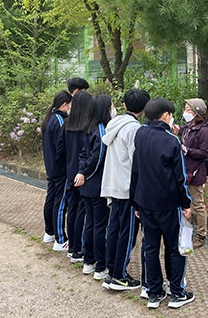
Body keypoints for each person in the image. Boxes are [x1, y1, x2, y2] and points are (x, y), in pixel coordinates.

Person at [130, 98, 195, 310]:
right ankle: (177, 291)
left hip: (145, 201)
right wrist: (186, 203)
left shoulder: (140, 134)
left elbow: (136, 170)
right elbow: (180, 177)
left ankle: (154, 292)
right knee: (175, 247)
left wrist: (135, 202)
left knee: (150, 247)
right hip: (168, 204)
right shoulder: (172, 141)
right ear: (166, 115)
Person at [100, 89, 150, 291]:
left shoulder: (114, 123)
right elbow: (136, 160)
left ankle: (111, 269)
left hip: (113, 183)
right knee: (128, 233)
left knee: (114, 229)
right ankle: (119, 276)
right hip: (127, 187)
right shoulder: (133, 129)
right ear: (145, 108)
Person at [74, 94, 112, 280]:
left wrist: (81, 172)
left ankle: (88, 261)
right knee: (99, 225)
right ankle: (100, 266)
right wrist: (86, 172)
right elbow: (97, 158)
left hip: (86, 184)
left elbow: (83, 154)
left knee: (90, 223)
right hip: (97, 184)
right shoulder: (101, 130)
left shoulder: (88, 128)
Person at [176, 98, 208, 248]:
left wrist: (188, 150)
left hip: (195, 172)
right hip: (185, 170)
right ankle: (186, 233)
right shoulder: (188, 127)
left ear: (197, 112)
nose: (185, 112)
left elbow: (204, 152)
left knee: (198, 204)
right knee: (185, 203)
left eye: (188, 109)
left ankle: (201, 234)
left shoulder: (204, 130)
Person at [40, 91, 72, 246]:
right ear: (64, 104)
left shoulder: (49, 119)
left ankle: (49, 232)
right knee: (60, 203)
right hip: (60, 169)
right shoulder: (60, 121)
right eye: (70, 104)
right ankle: (60, 239)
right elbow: (62, 146)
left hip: (51, 166)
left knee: (51, 199)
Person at [63, 91, 92, 259]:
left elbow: (60, 148)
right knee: (83, 212)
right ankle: (79, 249)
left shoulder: (66, 124)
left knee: (72, 210)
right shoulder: (87, 126)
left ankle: (72, 247)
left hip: (70, 172)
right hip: (83, 174)